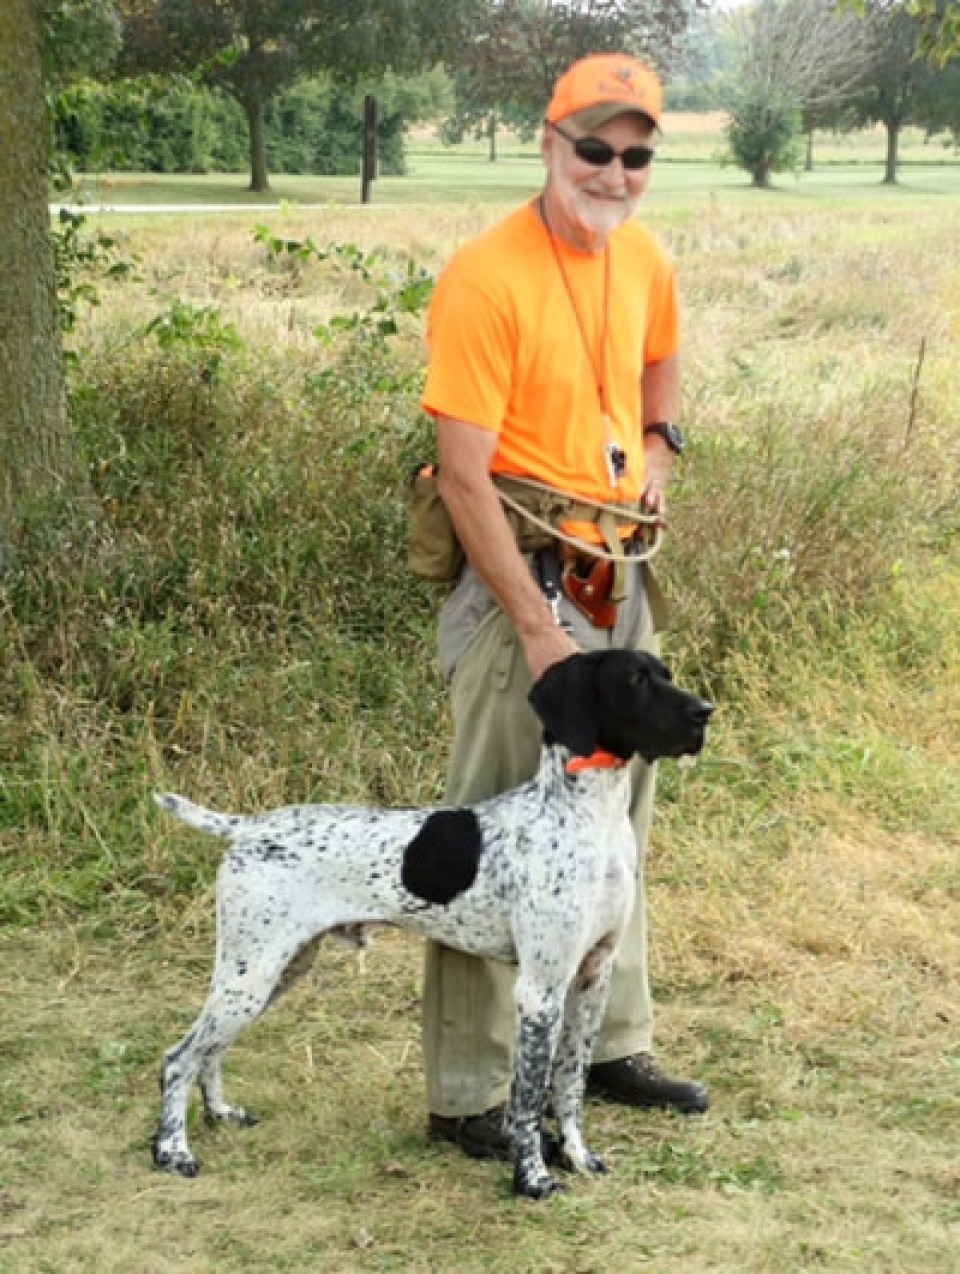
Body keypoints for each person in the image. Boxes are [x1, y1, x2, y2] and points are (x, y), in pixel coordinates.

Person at [419, 52, 708, 1160]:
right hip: (521, 570)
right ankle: (469, 1088)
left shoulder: (642, 256)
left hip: (618, 563)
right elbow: (460, 473)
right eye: (596, 148)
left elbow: (663, 360)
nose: (616, 171)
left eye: (636, 154)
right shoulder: (486, 275)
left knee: (613, 824)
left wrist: (658, 452)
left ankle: (607, 1043)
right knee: (493, 817)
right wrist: (540, 636)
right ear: (550, 144)